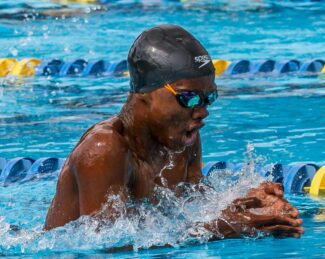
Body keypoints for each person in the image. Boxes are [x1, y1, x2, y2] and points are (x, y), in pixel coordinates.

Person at [44, 24, 304, 239]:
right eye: (188, 98)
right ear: (144, 94)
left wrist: (248, 203)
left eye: (208, 98)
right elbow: (105, 247)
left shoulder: (182, 136)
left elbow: (192, 205)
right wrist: (223, 228)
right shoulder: (104, 150)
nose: (202, 111)